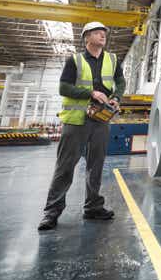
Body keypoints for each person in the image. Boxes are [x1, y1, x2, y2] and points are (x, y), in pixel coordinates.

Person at [38, 21, 125, 231]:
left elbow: (120, 81)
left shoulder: (112, 59)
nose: (102, 35)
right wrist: (91, 93)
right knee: (65, 166)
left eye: (104, 32)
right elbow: (63, 88)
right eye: (97, 32)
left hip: (101, 120)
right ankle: (52, 212)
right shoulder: (74, 60)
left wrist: (116, 98)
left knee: (96, 166)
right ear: (86, 38)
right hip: (76, 120)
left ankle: (93, 207)